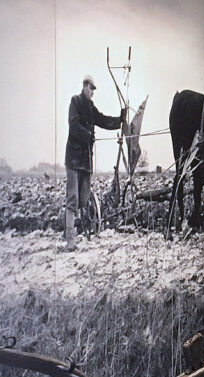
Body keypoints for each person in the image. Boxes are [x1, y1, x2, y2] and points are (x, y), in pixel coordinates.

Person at [64, 74, 126, 250]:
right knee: (73, 199)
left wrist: (119, 120)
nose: (92, 92)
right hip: (73, 159)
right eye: (90, 88)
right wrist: (88, 135)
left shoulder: (91, 107)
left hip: (86, 161)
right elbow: (73, 125)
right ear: (84, 86)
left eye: (93, 89)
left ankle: (78, 230)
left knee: (84, 199)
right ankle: (70, 239)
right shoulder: (75, 102)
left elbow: (103, 120)